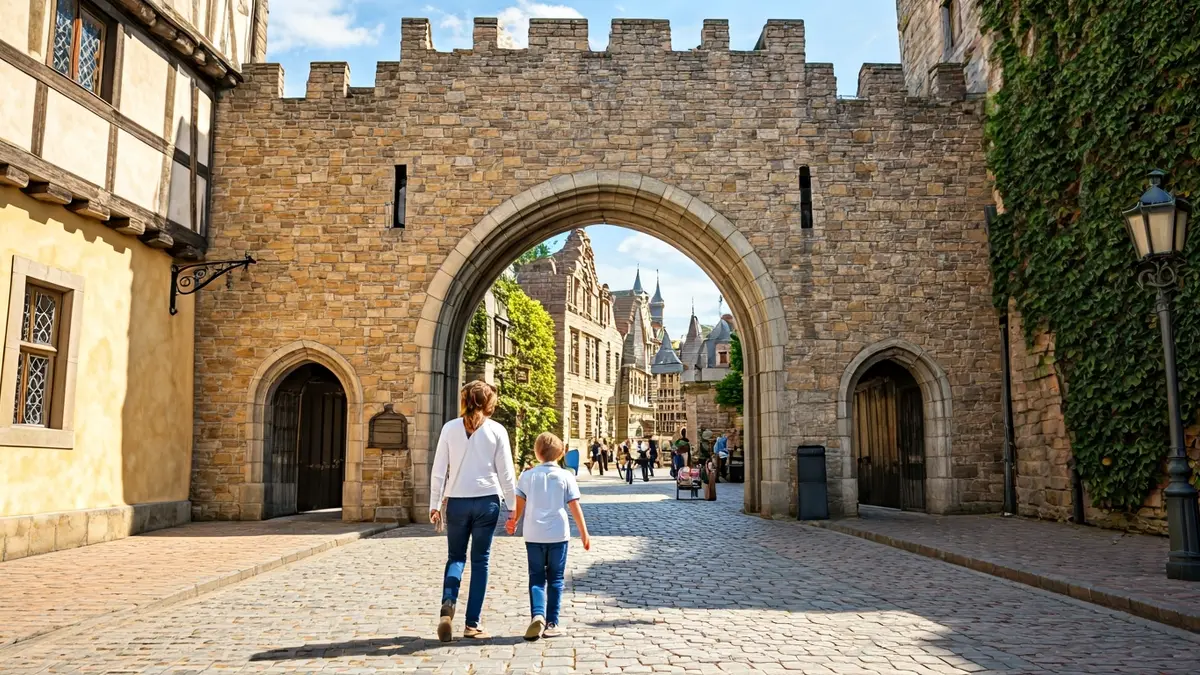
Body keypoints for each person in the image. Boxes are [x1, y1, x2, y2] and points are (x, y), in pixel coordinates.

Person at [429, 381, 517, 642]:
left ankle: (448, 604)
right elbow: (506, 474)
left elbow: (438, 470)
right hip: (487, 501)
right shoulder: (497, 431)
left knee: (455, 557)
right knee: (480, 561)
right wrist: (513, 508)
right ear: (489, 404)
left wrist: (435, 504)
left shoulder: (449, 428)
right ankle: (472, 624)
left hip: (457, 500)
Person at [505, 432, 591, 641]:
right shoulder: (566, 476)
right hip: (558, 535)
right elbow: (574, 506)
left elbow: (520, 505)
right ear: (561, 454)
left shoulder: (527, 476)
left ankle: (537, 614)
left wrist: (513, 522)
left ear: (537, 453)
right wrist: (583, 532)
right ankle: (552, 622)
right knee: (556, 579)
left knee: (536, 577)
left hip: (533, 534)